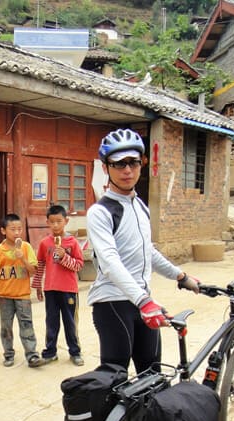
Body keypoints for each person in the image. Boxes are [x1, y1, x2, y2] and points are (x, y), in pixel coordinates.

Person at [86, 128, 200, 374]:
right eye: (119, 164)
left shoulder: (140, 206)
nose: (127, 170)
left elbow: (147, 252)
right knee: (115, 379)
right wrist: (145, 301)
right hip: (113, 302)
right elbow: (109, 262)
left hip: (141, 300)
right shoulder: (101, 212)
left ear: (141, 164)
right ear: (106, 168)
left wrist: (180, 276)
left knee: (152, 374)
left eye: (133, 162)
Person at [0, 213, 47, 368]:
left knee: (26, 325)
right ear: (3, 231)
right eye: (12, 229)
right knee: (6, 326)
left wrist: (22, 258)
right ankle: (8, 354)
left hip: (23, 295)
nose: (16, 233)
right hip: (4, 295)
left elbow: (33, 271)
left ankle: (32, 356)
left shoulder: (26, 247)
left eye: (19, 229)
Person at [32, 204, 85, 366]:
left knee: (70, 322)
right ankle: (50, 352)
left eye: (59, 221)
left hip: (69, 289)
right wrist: (38, 286)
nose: (55, 225)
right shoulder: (44, 243)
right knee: (51, 321)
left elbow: (79, 265)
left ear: (66, 221)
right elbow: (40, 264)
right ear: (47, 222)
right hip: (51, 289)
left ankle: (75, 352)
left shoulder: (72, 242)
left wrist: (63, 256)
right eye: (52, 222)